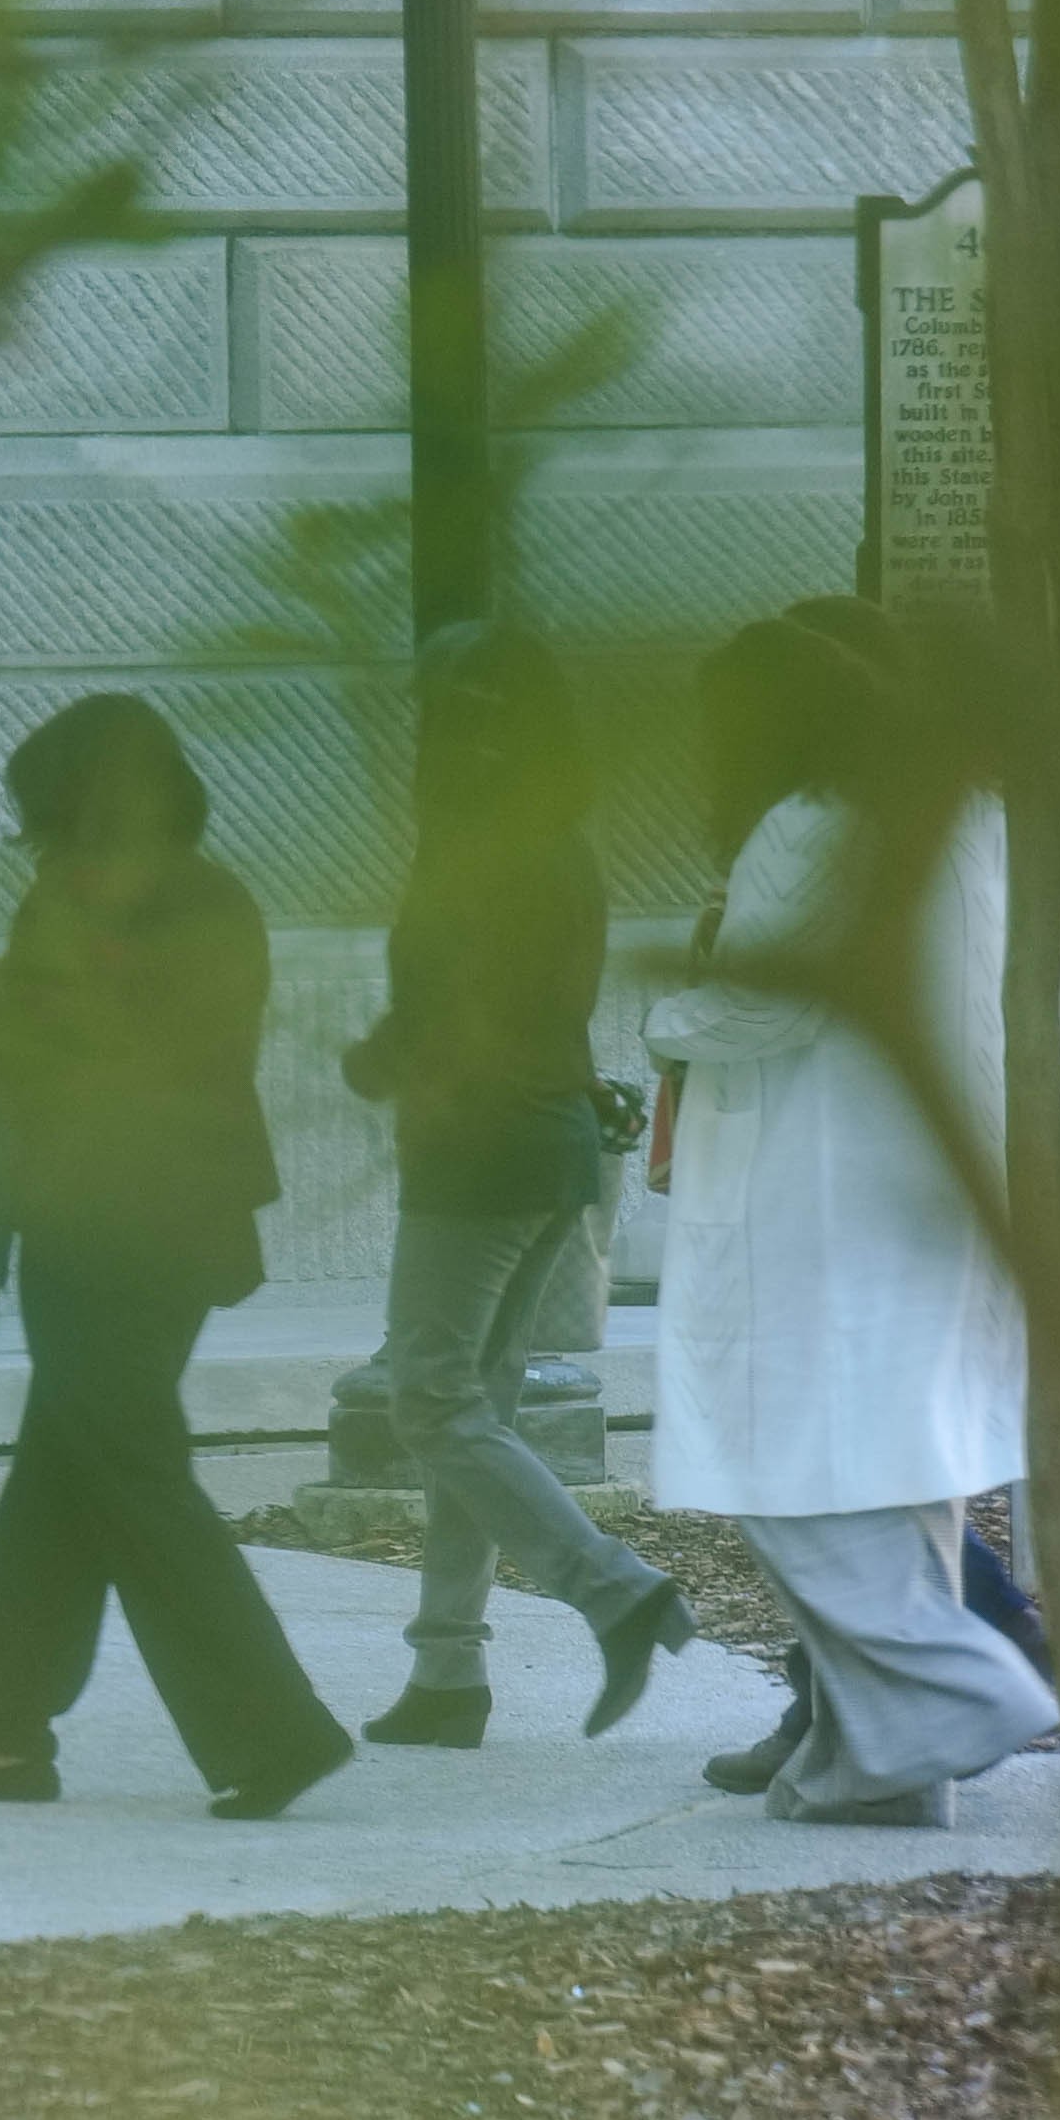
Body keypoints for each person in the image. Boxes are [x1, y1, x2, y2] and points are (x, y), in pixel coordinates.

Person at [0, 695, 352, 1818]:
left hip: (96, 1224)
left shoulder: (85, 892)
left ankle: (274, 1731)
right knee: (72, 1463)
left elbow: (65, 1055)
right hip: (186, 1228)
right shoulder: (216, 893)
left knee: (127, 1468)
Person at [645, 618, 1056, 1827]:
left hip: (819, 1193)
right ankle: (878, 1753)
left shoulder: (808, 823)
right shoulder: (964, 814)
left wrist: (665, 1013)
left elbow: (761, 1006)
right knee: (899, 1467)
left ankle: (955, 1697)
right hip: (933, 1183)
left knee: (792, 1467)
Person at [346, 625, 696, 1749]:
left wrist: (379, 1056)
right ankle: (446, 1673)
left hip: (478, 1157)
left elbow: (454, 1018)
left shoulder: (474, 842)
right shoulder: (560, 842)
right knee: (474, 1407)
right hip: (547, 1149)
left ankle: (614, 1589)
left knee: (431, 1399)